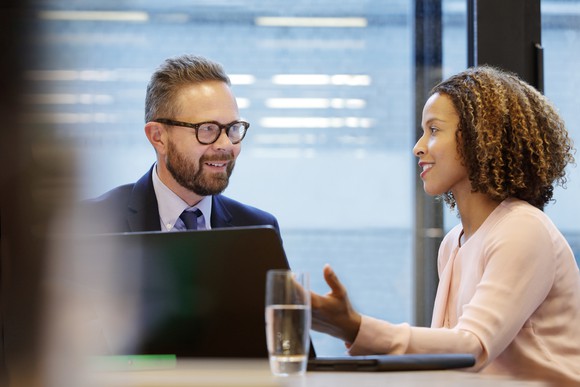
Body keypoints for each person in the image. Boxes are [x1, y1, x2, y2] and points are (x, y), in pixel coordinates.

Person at [311, 66, 580, 384]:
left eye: (434, 130)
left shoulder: (522, 229)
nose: (418, 147)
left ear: (481, 139)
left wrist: (355, 327)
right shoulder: (454, 243)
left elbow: (471, 350)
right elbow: (447, 363)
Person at [82, 54, 279, 234]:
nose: (226, 144)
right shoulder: (94, 223)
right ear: (158, 137)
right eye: (207, 128)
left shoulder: (259, 229)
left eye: (233, 128)